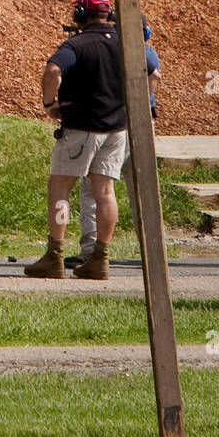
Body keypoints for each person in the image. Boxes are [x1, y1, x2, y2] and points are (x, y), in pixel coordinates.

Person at [27, 0, 127, 281]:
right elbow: (149, 71)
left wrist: (49, 103)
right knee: (105, 193)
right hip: (116, 129)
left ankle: (55, 255)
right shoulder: (124, 43)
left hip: (81, 127)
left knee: (60, 188)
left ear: (81, 14)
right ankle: (100, 258)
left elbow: (52, 70)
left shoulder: (77, 44)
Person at [71, 14, 159, 266]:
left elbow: (154, 76)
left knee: (93, 186)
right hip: (138, 123)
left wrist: (134, 103)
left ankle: (90, 250)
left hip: (122, 122)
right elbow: (153, 76)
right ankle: (150, 250)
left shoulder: (127, 51)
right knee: (140, 187)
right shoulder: (145, 50)